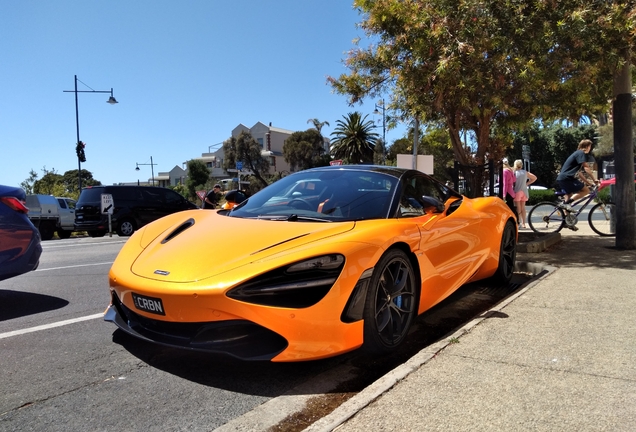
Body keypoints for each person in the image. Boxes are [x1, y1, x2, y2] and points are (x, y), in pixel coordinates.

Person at [556, 139, 599, 211]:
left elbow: (579, 174)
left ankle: (566, 220)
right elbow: (586, 167)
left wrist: (589, 183)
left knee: (569, 196)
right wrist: (594, 180)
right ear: (587, 146)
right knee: (586, 191)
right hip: (567, 178)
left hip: (562, 178)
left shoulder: (576, 154)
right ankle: (566, 204)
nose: (590, 149)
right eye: (590, 147)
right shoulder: (581, 153)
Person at [513, 159, 537, 229]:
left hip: (517, 191)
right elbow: (534, 178)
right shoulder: (525, 172)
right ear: (521, 165)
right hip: (524, 191)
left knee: (518, 208)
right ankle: (524, 223)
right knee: (523, 208)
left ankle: (519, 222)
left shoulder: (514, 172)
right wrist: (526, 183)